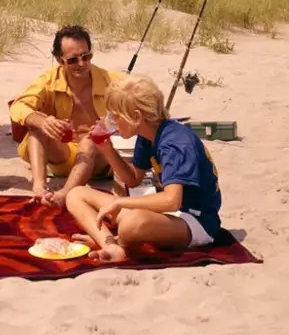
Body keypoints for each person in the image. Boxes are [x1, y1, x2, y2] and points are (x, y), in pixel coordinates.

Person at [65, 74, 222, 263]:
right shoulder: (147, 134)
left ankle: (117, 242)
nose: (111, 121)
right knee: (76, 194)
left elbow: (172, 200)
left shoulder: (175, 144)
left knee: (131, 224)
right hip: (168, 213)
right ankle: (111, 245)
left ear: (136, 117)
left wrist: (121, 203)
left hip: (196, 221)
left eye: (115, 116)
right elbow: (132, 179)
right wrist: (106, 148)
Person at [9, 25, 121, 209]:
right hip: (64, 157)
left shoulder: (112, 80)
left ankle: (65, 193)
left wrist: (106, 125)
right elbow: (18, 107)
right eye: (73, 60)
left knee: (90, 141)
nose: (82, 64)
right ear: (59, 59)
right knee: (37, 126)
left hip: (101, 162)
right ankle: (39, 188)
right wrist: (44, 121)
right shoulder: (48, 80)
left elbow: (138, 106)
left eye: (86, 56)